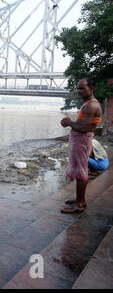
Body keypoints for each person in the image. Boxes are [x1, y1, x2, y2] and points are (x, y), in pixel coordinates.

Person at [61, 78, 102, 213]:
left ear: (91, 88)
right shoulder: (88, 104)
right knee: (80, 170)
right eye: (78, 88)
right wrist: (72, 124)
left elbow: (84, 128)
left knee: (81, 171)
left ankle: (79, 204)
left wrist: (69, 122)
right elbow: (83, 124)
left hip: (81, 141)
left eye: (82, 88)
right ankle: (80, 199)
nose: (79, 91)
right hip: (79, 141)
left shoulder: (92, 106)